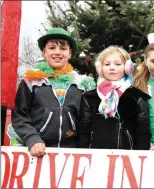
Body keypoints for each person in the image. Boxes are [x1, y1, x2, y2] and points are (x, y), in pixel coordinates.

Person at [11, 27, 96, 157]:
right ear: (44, 52)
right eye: (52, 48)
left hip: (73, 154)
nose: (57, 52)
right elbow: (20, 116)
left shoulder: (82, 84)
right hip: (38, 152)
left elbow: (88, 120)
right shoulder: (31, 81)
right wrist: (32, 139)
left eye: (63, 49)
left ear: (70, 53)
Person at [78, 46, 151, 150]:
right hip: (96, 158)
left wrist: (140, 157)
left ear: (127, 67)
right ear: (100, 68)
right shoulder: (89, 97)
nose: (112, 68)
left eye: (117, 64)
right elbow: (84, 132)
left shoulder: (137, 97)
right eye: (107, 64)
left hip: (127, 157)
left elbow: (143, 133)